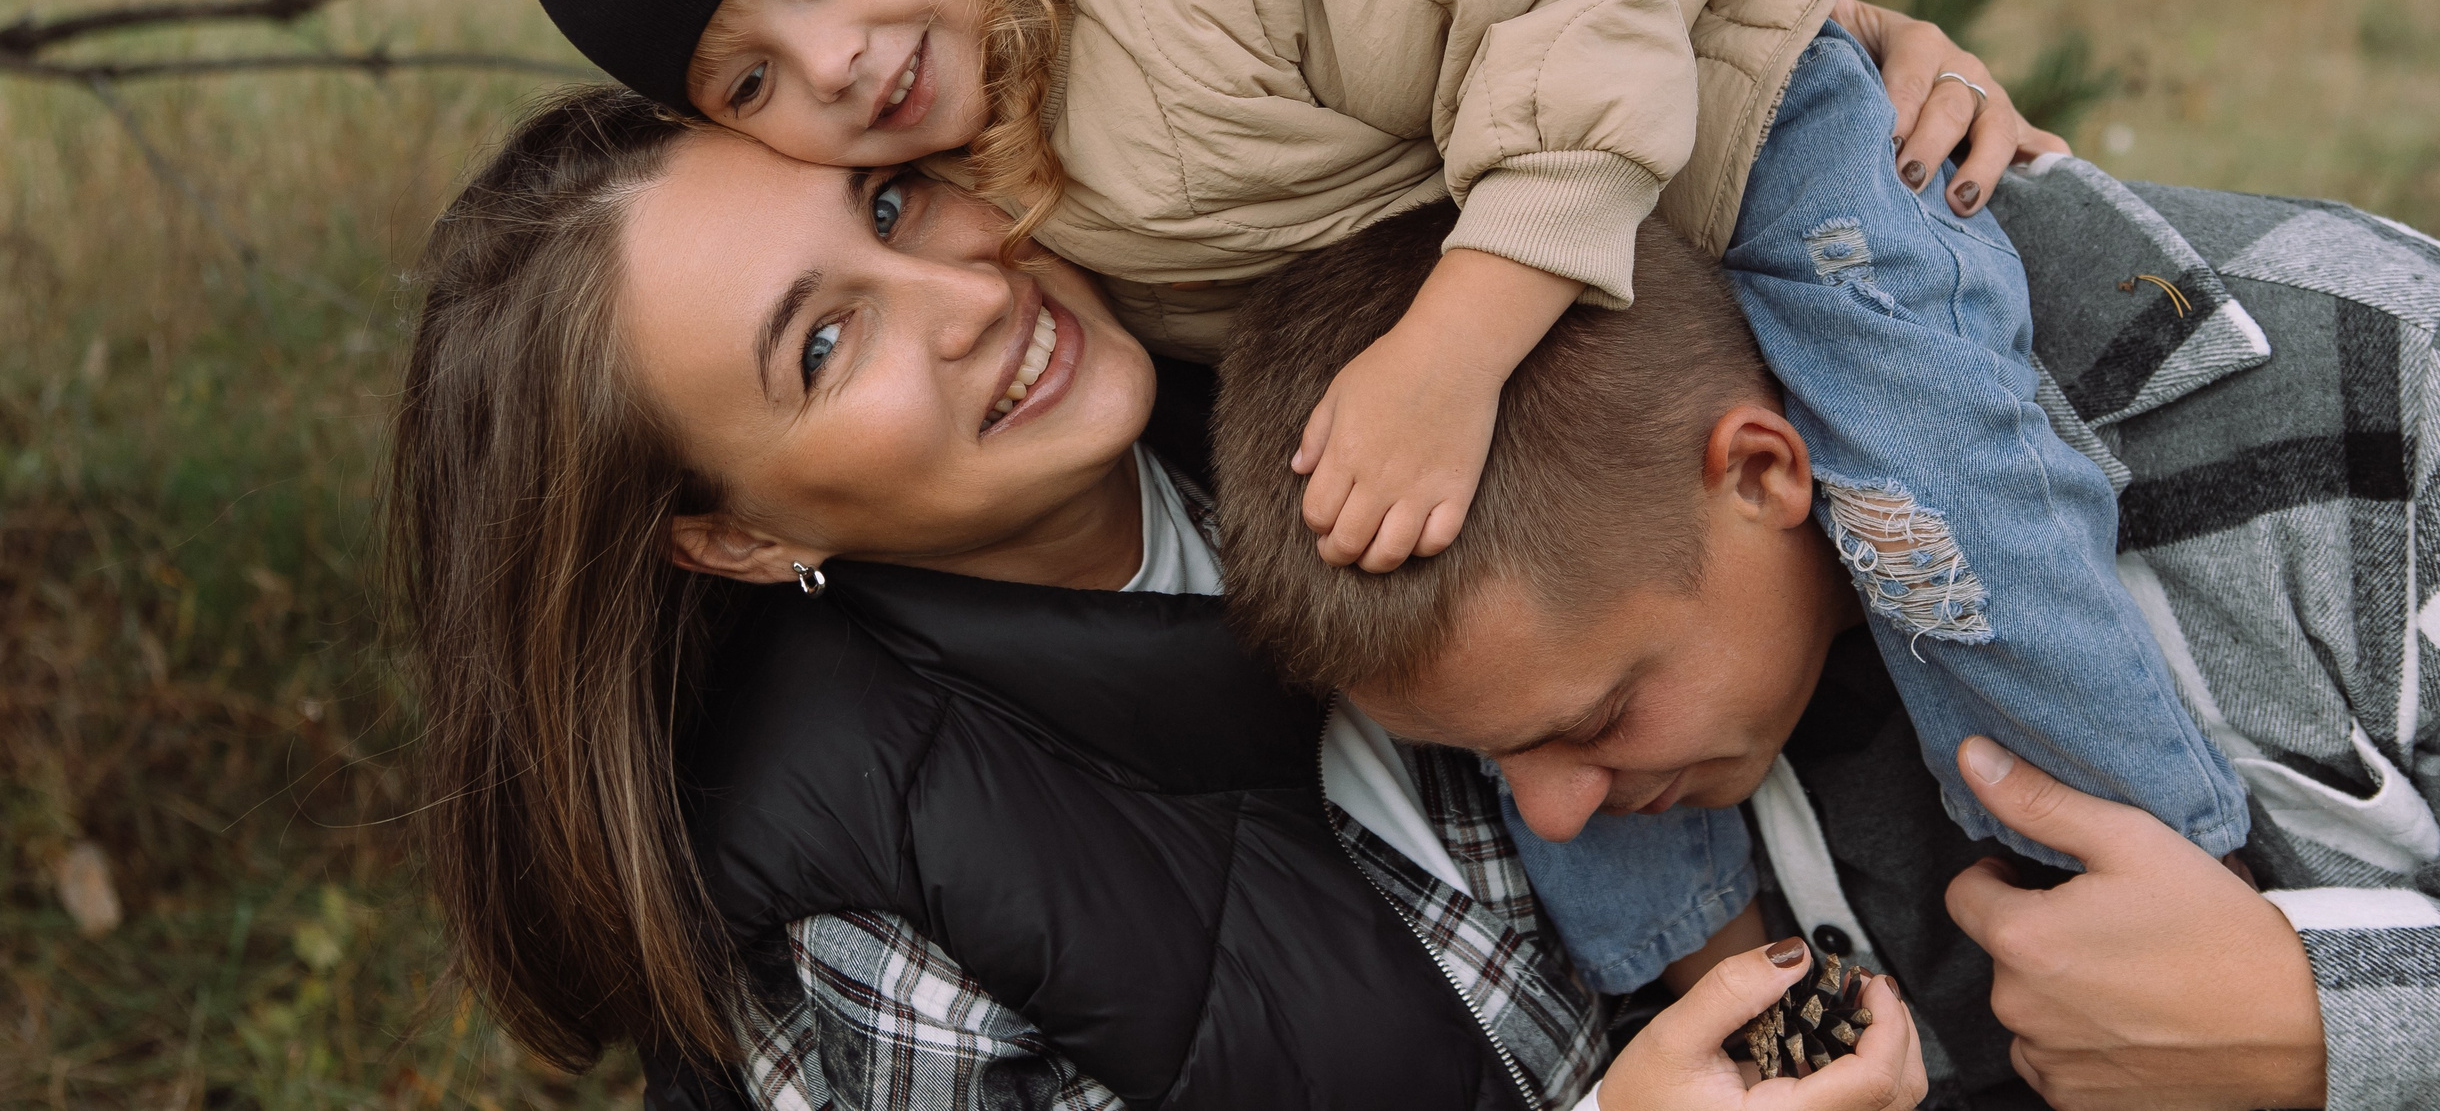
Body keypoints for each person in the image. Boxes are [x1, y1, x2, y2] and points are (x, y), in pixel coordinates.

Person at [423, 0, 2249, 994]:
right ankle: (1719, 987)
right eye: (750, 80)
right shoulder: (972, 124)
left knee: (1926, 470)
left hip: (1722, 126)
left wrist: (1459, 344)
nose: (836, 67)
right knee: (1471, 662)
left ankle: (2140, 880)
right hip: (1485, 242)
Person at [386, 83, 1928, 1111]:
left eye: (892, 206)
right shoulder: (852, 896)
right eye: (823, 346)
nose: (973, 294)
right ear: (730, 535)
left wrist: (1855, 74)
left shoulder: (1337, 357)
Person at [1216, 161, 2440, 1111]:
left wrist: (2320, 1019)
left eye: (1599, 720)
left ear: (1763, 473)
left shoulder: (2389, 385)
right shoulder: (1482, 699)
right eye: (1500, 760)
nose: (1554, 816)